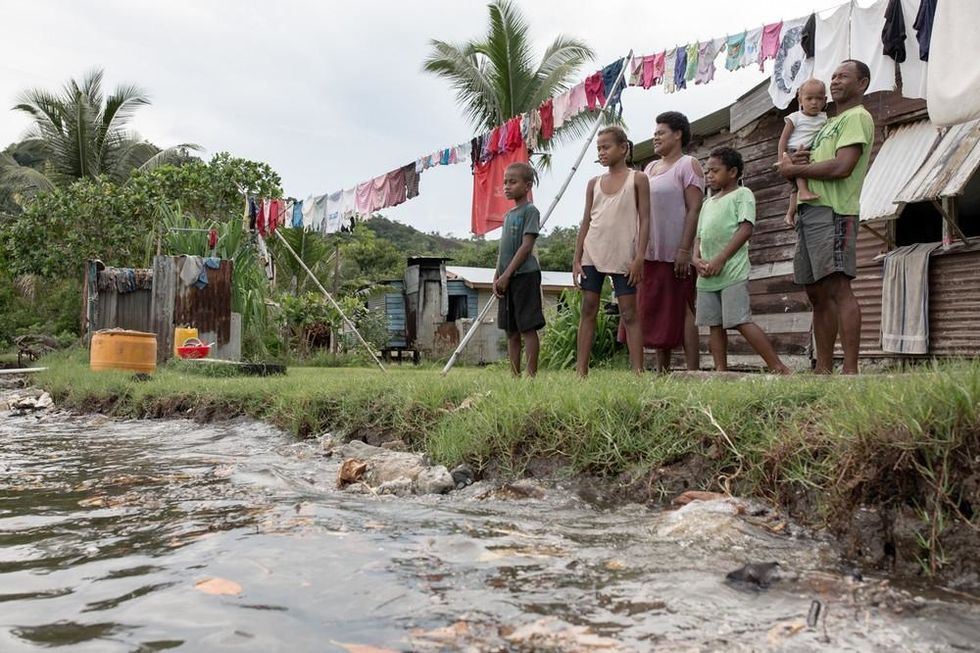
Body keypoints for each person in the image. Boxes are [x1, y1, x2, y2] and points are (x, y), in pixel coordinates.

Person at [777, 60, 875, 374]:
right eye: (833, 76)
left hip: (834, 212)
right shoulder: (827, 123)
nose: (834, 81)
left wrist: (796, 169)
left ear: (862, 83)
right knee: (816, 294)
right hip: (810, 213)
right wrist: (794, 172)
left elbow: (841, 166)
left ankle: (850, 371)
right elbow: (804, 162)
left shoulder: (857, 117)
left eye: (843, 76)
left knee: (837, 288)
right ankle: (823, 369)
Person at [694, 147, 791, 374]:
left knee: (739, 320)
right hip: (707, 274)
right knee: (714, 325)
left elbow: (745, 229)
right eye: (707, 171)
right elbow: (699, 236)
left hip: (731, 271)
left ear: (733, 172)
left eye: (715, 171)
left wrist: (720, 258)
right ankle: (721, 371)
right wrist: (695, 259)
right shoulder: (707, 203)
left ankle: (778, 367)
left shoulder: (743, 194)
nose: (709, 175)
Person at [573, 126, 651, 376]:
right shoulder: (593, 183)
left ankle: (638, 372)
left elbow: (646, 219)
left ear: (624, 148)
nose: (601, 152)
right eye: (599, 148)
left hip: (624, 255)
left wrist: (640, 257)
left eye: (606, 147)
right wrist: (576, 259)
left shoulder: (637, 179)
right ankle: (581, 371)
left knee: (629, 313)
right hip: (592, 253)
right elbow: (585, 221)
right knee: (588, 308)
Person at [638, 111, 705, 372]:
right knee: (656, 310)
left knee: (683, 308)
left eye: (661, 133)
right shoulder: (650, 168)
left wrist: (684, 249)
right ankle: (661, 371)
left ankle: (693, 371)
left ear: (677, 134)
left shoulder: (688, 164)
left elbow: (694, 209)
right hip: (650, 252)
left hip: (675, 251)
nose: (655, 138)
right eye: (654, 133)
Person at [493, 162, 545, 377]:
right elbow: (503, 250)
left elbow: (526, 246)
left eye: (513, 182)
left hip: (525, 277)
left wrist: (507, 274)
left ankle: (530, 376)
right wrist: (498, 275)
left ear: (527, 185)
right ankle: (514, 376)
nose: (507, 186)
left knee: (527, 327)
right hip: (506, 279)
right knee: (511, 330)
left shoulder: (530, 211)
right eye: (505, 182)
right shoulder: (507, 216)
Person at [778, 79, 828, 226]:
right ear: (800, 100)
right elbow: (783, 139)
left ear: (825, 100)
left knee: (794, 189)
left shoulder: (824, 118)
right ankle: (805, 192)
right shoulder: (795, 117)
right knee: (801, 170)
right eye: (809, 98)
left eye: (819, 99)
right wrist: (782, 158)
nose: (814, 102)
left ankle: (789, 214)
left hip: (810, 151)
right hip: (795, 151)